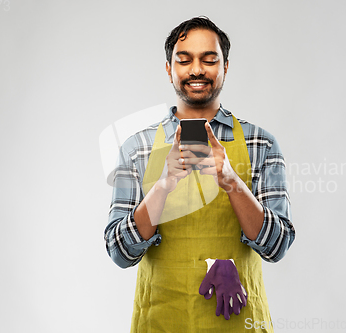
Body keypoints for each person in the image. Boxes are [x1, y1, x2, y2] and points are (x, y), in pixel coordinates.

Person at [104, 16, 295, 332]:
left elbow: (277, 246)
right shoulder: (137, 147)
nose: (196, 70)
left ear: (225, 66)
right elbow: (120, 252)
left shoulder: (260, 143)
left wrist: (232, 182)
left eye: (209, 60)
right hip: (162, 322)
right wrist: (163, 185)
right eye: (184, 60)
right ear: (169, 69)